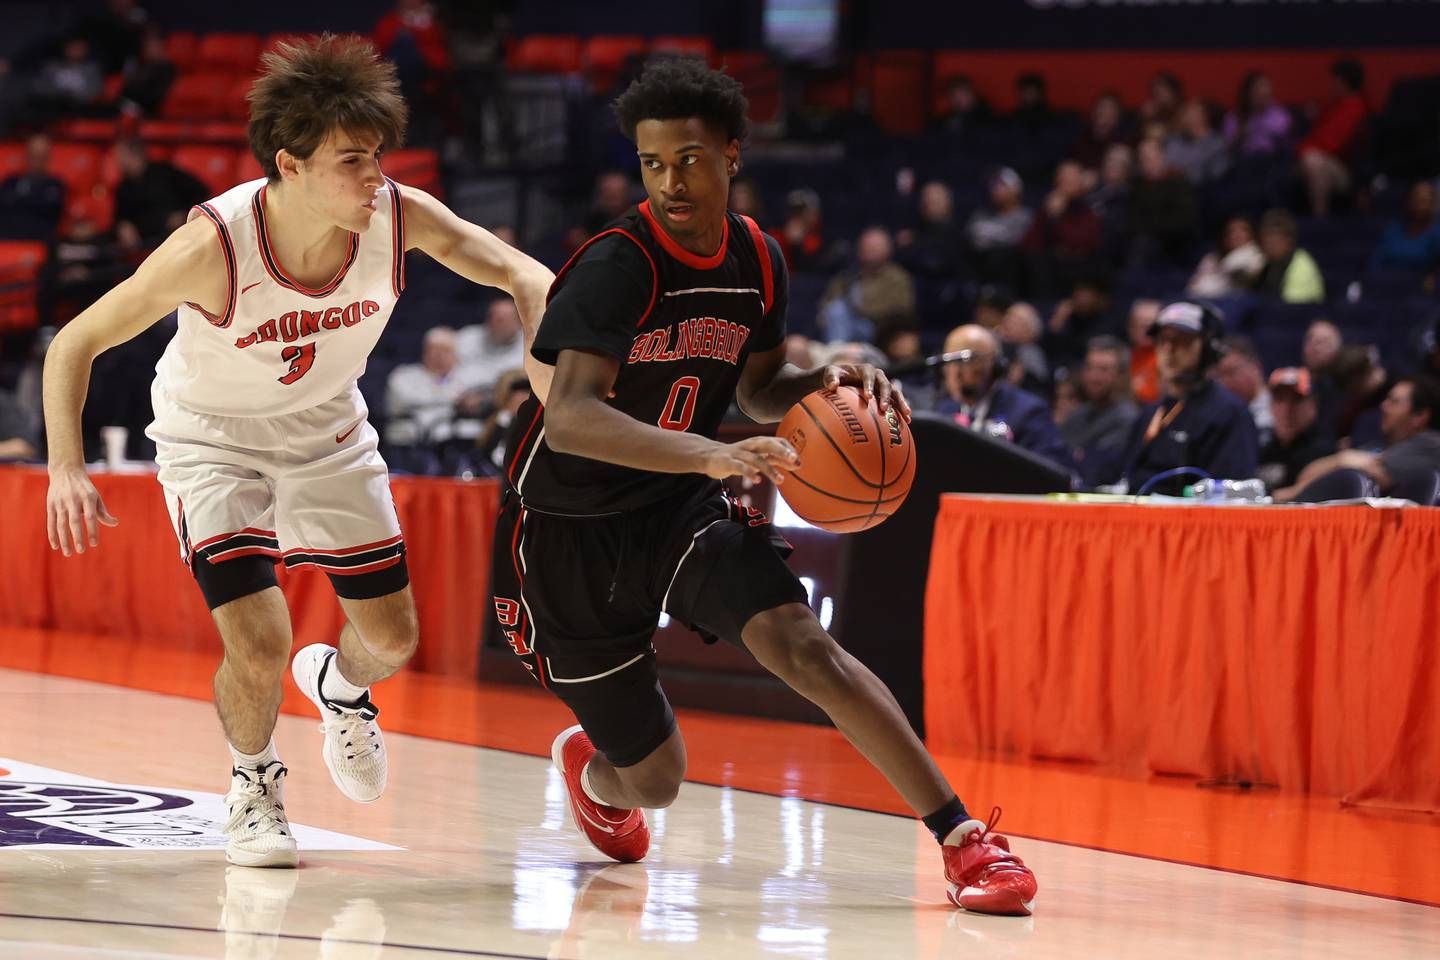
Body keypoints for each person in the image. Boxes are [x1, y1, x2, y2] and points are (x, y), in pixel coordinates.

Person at [493, 58, 1038, 916]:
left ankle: (965, 839)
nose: (673, 181)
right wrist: (709, 456)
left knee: (803, 645)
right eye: (654, 163)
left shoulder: (757, 260)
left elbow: (755, 392)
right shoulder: (617, 264)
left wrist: (830, 384)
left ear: (732, 156)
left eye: (692, 159)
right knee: (657, 782)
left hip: (674, 504)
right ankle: (592, 768)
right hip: (569, 528)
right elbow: (570, 419)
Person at [42, 34, 555, 869]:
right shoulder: (213, 246)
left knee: (392, 639)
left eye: (378, 155)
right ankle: (253, 783)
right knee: (257, 640)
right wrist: (66, 465)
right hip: (213, 439)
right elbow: (75, 342)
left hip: (327, 432)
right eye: (352, 160)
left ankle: (343, 691)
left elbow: (527, 276)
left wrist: (547, 373)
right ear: (289, 164)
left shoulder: (399, 217)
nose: (375, 176)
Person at [1117, 301, 1259, 494]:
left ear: (1208, 349)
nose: (1169, 350)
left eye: (1182, 341)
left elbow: (1229, 497)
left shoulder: (1229, 413)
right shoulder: (1151, 413)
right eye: (1163, 340)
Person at [936, 323, 1074, 473]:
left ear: (994, 366)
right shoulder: (943, 413)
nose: (955, 373)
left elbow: (1051, 472)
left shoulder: (1028, 412)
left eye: (966, 362)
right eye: (949, 363)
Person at [1275, 377, 1440, 500]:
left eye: (1394, 402)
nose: (1383, 406)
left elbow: (1379, 474)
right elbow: (1306, 474)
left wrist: (1293, 493)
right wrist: (1343, 459)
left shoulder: (1430, 445)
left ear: (1419, 416)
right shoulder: (1378, 446)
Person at [1061, 336, 1138, 488]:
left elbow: (1099, 471)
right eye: (1089, 367)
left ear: (1121, 376)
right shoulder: (1076, 416)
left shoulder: (1128, 420)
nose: (1093, 377)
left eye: (1103, 370)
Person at [1298, 59, 1369, 219]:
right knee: (1312, 160)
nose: (1331, 86)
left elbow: (1332, 145)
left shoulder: (1355, 108)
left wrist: (1303, 149)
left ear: (1342, 82)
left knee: (1313, 161)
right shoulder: (1333, 106)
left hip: (1343, 172)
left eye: (1334, 81)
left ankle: (1320, 220)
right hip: (1318, 160)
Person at [1256, 367, 1335, 493]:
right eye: (1280, 400)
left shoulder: (1324, 453)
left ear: (1313, 405)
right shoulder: (1263, 450)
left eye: (1297, 400)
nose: (1287, 410)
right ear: (1270, 406)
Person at [1253, 208, 1324, 304]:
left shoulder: (1301, 265)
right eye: (1265, 237)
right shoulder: (1268, 265)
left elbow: (1290, 310)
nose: (1268, 243)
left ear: (1289, 240)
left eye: (1274, 238)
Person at [1214, 335, 1274, 442]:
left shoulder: (1279, 409)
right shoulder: (1218, 413)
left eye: (1231, 372)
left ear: (1256, 368)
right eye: (1219, 375)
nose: (1224, 382)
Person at [1186, 215, 1263, 298]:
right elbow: (1192, 289)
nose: (1236, 235)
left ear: (1251, 234)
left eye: (1242, 230)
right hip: (1206, 302)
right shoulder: (1211, 258)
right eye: (1231, 231)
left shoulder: (1258, 256)